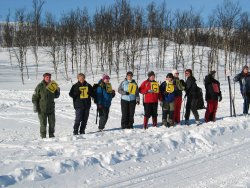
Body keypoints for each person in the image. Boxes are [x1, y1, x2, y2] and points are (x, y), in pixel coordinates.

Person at [32, 73, 60, 138]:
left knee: (52, 124)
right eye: (47, 77)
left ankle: (51, 135)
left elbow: (56, 96)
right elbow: (34, 97)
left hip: (51, 109)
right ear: (44, 78)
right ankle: (43, 137)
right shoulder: (39, 86)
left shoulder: (53, 85)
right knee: (43, 124)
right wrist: (35, 105)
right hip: (42, 109)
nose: (48, 78)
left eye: (49, 77)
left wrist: (58, 91)